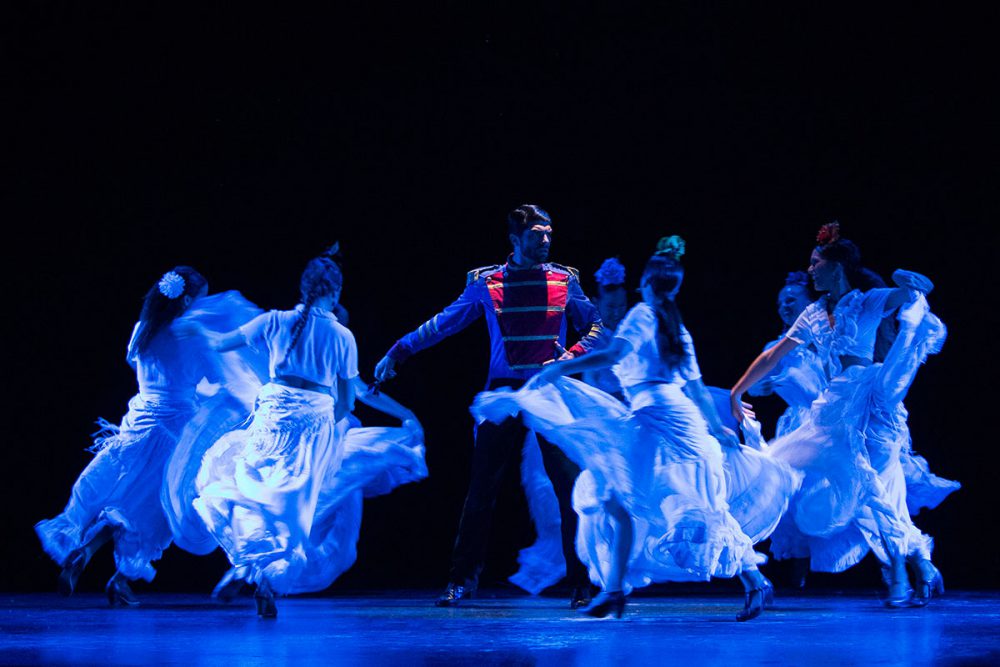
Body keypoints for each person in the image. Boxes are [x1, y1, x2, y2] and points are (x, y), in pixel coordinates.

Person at [471, 237, 799, 621]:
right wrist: (716, 428)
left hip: (657, 421)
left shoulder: (644, 315)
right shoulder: (677, 329)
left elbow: (613, 355)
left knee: (646, 502)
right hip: (672, 420)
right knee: (641, 500)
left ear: (645, 282)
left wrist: (559, 367)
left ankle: (751, 583)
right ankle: (615, 591)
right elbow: (693, 388)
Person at [373, 204, 604, 607]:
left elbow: (598, 329)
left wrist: (569, 358)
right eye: (537, 234)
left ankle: (582, 584)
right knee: (482, 488)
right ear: (516, 239)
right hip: (503, 392)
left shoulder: (565, 280)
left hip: (549, 391)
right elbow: (445, 322)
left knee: (569, 486)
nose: (546, 241)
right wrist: (399, 351)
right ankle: (460, 581)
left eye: (549, 233)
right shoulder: (487, 282)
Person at [179, 254, 424, 617]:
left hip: (274, 414)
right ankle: (264, 578)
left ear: (303, 288)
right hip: (313, 420)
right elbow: (349, 396)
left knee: (253, 488)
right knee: (294, 506)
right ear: (337, 292)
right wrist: (346, 424)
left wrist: (199, 329)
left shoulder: (275, 321)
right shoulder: (342, 335)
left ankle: (248, 567)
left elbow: (221, 343)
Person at [729, 222, 947, 606]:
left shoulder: (867, 301)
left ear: (836, 266)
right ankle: (919, 561)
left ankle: (904, 570)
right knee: (810, 469)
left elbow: (911, 293)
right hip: (832, 409)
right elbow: (773, 354)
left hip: (870, 403)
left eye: (816, 263)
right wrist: (737, 389)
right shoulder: (812, 314)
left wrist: (910, 284)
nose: (811, 269)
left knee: (877, 485)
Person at [36, 267, 216, 606]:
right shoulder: (193, 338)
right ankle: (120, 579)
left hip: (139, 424)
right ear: (189, 300)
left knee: (120, 499)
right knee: (160, 509)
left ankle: (85, 551)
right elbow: (212, 380)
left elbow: (137, 365)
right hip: (176, 434)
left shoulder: (143, 330)